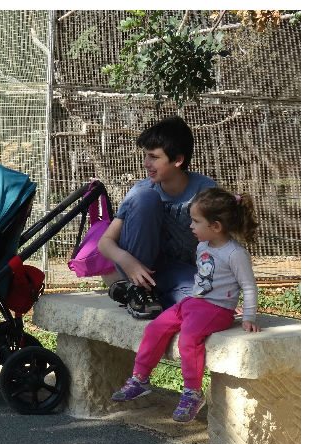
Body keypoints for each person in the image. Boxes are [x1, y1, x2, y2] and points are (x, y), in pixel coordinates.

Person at [111, 187, 260, 423]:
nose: (191, 226)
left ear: (216, 226)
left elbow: (249, 286)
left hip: (217, 310)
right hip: (193, 303)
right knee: (155, 328)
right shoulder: (203, 246)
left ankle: (192, 392)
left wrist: (249, 317)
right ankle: (140, 379)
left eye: (195, 221)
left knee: (189, 340)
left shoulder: (235, 254)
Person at [98, 116, 216, 320]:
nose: (146, 163)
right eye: (145, 155)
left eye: (153, 157)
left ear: (178, 160)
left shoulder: (205, 189)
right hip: (136, 266)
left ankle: (134, 293)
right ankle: (137, 290)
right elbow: (105, 242)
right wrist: (127, 262)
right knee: (146, 199)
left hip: (178, 271)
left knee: (201, 306)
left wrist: (219, 297)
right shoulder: (142, 190)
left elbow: (219, 243)